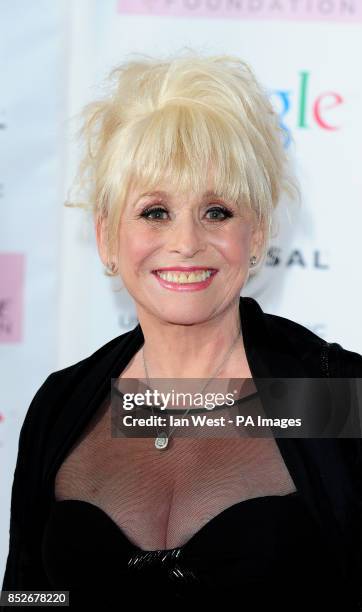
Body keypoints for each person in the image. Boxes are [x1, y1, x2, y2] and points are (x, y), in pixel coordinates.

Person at [2, 50, 362, 610]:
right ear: (106, 236)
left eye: (217, 210)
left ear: (257, 232)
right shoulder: (63, 404)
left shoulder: (336, 396)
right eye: (154, 211)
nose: (187, 242)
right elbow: (28, 597)